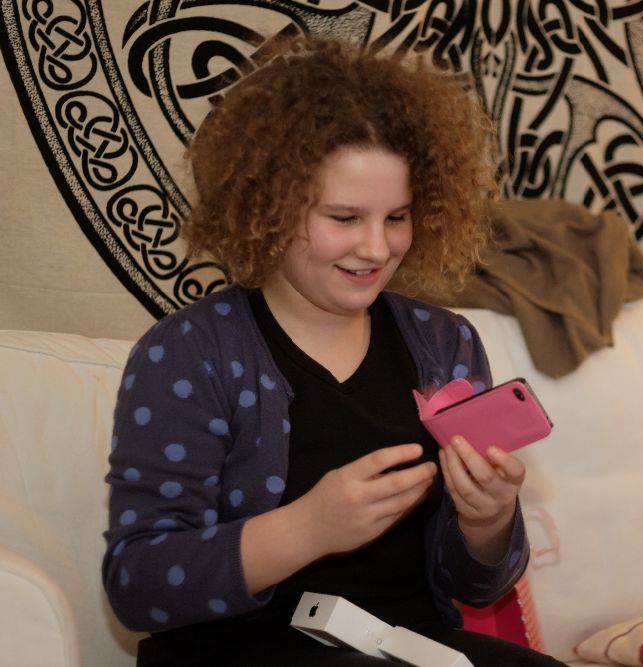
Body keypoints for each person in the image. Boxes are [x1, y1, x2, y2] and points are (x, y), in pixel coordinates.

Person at [101, 35, 565, 666]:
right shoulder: (189, 351)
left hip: (410, 648)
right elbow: (137, 586)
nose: (376, 248)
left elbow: (474, 586)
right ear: (267, 207)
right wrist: (306, 529)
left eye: (397, 217)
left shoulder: (444, 341)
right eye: (344, 218)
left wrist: (488, 520)